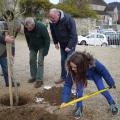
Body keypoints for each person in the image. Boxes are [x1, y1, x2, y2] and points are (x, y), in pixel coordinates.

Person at [61, 51, 118, 119]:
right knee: (79, 92)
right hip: (80, 75)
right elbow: (67, 84)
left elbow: (104, 71)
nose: (72, 69)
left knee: (102, 89)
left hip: (95, 74)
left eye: (75, 67)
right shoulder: (72, 70)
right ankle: (79, 107)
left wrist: (111, 83)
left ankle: (112, 103)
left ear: (82, 66)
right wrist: (65, 100)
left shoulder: (94, 63)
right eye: (71, 67)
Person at [48, 8, 78, 84]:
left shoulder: (68, 19)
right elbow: (53, 32)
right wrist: (55, 42)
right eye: (50, 18)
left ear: (58, 14)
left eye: (53, 18)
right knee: (63, 61)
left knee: (70, 61)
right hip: (62, 44)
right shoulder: (52, 21)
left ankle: (73, 79)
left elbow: (73, 34)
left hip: (70, 44)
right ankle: (63, 77)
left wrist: (69, 46)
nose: (52, 20)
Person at [24, 17, 50, 88]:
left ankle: (39, 80)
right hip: (33, 45)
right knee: (31, 60)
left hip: (42, 46)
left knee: (40, 62)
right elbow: (27, 37)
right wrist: (29, 45)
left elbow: (47, 39)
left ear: (33, 25)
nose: (28, 30)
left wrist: (46, 50)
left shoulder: (41, 27)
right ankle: (34, 76)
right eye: (27, 28)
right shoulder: (26, 27)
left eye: (29, 28)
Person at [0, 10, 20, 87]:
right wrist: (5, 39)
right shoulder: (2, 23)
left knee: (6, 68)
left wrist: (12, 53)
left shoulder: (12, 25)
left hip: (3, 51)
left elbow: (12, 41)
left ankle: (9, 82)